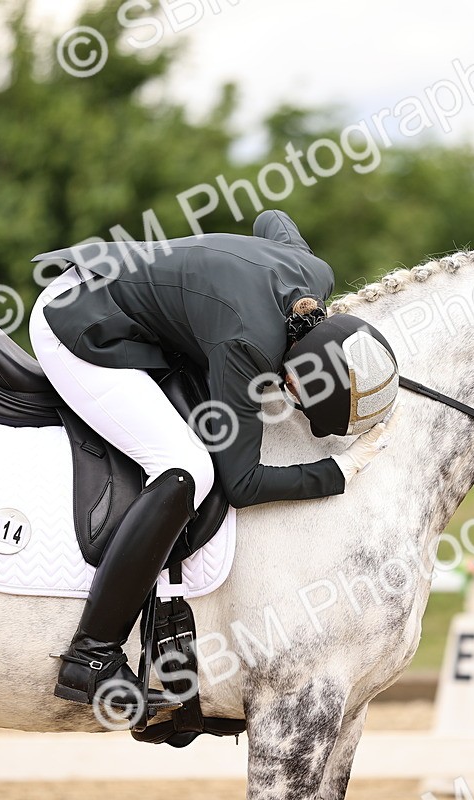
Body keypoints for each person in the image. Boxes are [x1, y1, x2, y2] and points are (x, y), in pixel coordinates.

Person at [28, 209, 399, 712]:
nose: (289, 398)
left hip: (111, 286)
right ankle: (91, 655)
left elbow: (273, 219)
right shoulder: (247, 344)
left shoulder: (314, 274)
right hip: (78, 322)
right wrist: (341, 470)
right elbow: (242, 483)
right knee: (186, 467)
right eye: (298, 396)